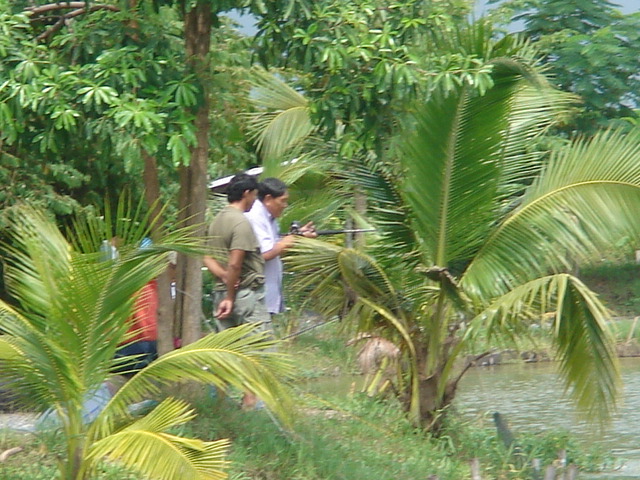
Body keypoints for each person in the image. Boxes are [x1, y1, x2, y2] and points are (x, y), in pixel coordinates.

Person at [203, 173, 269, 409]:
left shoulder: (217, 220)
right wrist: (231, 294)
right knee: (256, 348)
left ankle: (218, 402)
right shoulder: (241, 223)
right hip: (242, 296)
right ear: (246, 194)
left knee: (225, 349)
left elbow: (208, 257)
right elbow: (235, 264)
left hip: (221, 292)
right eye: (254, 195)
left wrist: (222, 277)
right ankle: (250, 401)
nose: (255, 201)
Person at [244, 177, 316, 315]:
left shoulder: (270, 218)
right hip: (257, 294)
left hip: (268, 292)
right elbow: (265, 253)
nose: (285, 205)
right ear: (268, 199)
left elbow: (275, 245)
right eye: (282, 201)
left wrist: (298, 236)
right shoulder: (255, 217)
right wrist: (292, 238)